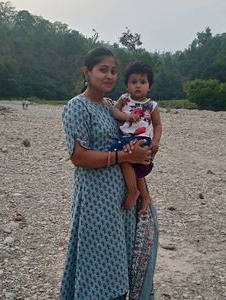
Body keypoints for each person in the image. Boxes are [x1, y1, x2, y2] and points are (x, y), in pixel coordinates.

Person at [60, 47, 158, 300]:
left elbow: (132, 150)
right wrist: (124, 156)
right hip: (95, 199)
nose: (109, 76)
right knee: (96, 262)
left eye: (113, 71)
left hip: (121, 200)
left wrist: (143, 193)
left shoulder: (111, 106)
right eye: (103, 69)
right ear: (87, 72)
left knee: (118, 263)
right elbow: (78, 157)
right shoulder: (77, 107)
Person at [110, 61, 162, 217]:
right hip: (126, 137)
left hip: (142, 139)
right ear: (127, 85)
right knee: (131, 166)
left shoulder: (152, 105)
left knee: (124, 159)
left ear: (149, 86)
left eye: (142, 82)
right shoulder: (124, 99)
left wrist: (156, 142)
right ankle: (144, 196)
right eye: (133, 82)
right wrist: (127, 116)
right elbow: (114, 110)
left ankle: (133, 192)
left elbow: (158, 125)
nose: (138, 86)